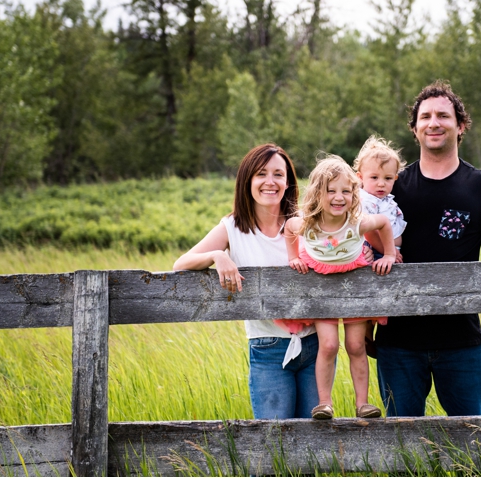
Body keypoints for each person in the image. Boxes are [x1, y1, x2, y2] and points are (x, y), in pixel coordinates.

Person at [372, 80, 481, 417]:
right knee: (401, 445)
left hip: (461, 340)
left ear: (461, 125)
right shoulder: (392, 186)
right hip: (398, 340)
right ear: (414, 129)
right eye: (425, 116)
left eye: (443, 115)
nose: (434, 122)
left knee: (476, 440)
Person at [172, 144, 320, 420]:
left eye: (278, 174)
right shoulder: (233, 228)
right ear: (248, 180)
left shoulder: (305, 224)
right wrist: (218, 255)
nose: (270, 182)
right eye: (261, 174)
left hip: (314, 346)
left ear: (288, 182)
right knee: (273, 439)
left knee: (314, 440)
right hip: (267, 347)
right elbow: (180, 264)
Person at [280, 155, 396, 420]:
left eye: (346, 191)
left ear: (354, 194)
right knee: (329, 345)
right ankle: (324, 403)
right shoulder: (307, 224)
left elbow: (384, 223)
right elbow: (288, 228)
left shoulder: (356, 222)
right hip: (322, 290)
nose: (338, 197)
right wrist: (293, 257)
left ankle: (363, 404)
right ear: (317, 193)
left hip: (352, 289)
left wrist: (388, 254)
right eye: (330, 191)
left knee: (356, 346)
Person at [352, 135, 407, 358]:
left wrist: (397, 251)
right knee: (368, 291)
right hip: (370, 250)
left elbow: (397, 229)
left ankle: (374, 331)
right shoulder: (363, 199)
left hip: (388, 252)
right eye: (374, 177)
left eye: (388, 178)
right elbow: (370, 231)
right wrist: (389, 252)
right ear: (360, 177)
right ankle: (366, 332)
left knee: (384, 291)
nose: (381, 183)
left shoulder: (389, 203)